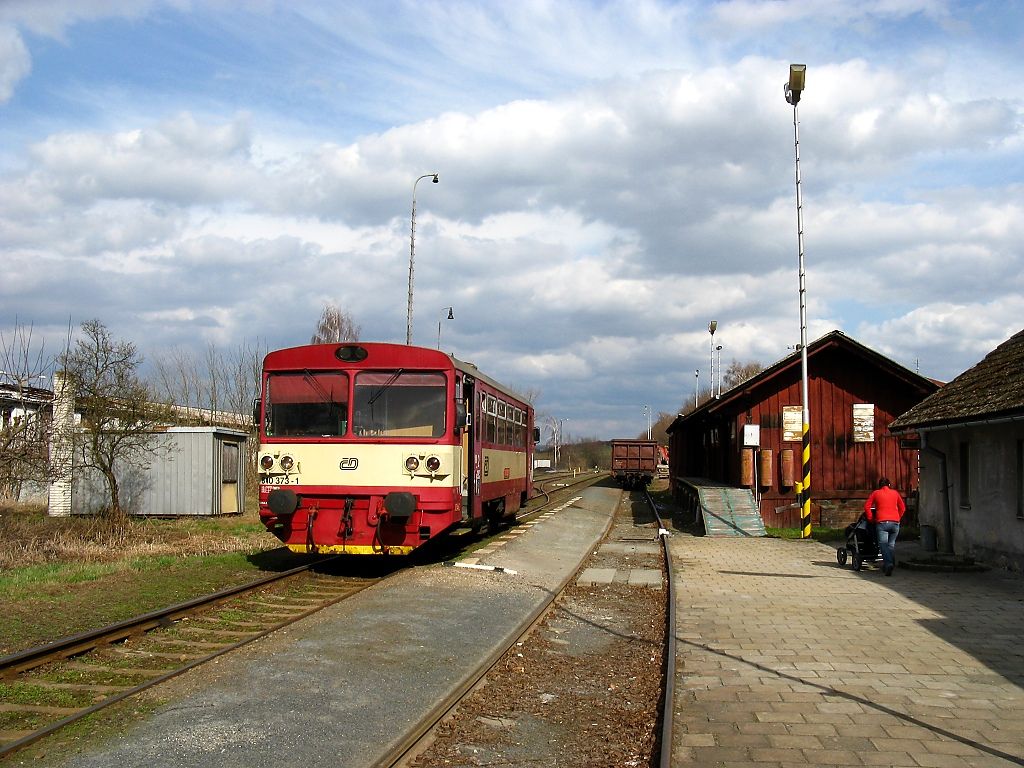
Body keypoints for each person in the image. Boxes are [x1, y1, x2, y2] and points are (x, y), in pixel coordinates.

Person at [864, 477, 906, 576]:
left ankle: (888, 564)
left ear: (879, 485)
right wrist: (898, 517)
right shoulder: (895, 493)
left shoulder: (876, 493)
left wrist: (870, 518)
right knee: (890, 545)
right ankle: (890, 563)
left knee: (883, 545)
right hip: (895, 523)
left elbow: (867, 506)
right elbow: (902, 508)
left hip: (882, 522)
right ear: (889, 485)